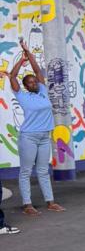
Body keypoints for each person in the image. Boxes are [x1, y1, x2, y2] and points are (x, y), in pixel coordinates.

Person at [9, 39, 64, 215]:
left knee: (43, 171)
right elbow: (12, 77)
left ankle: (51, 202)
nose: (34, 83)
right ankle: (27, 205)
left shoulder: (43, 92)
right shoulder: (22, 96)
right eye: (31, 83)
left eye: (35, 82)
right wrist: (21, 61)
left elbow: (38, 71)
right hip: (29, 137)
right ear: (25, 86)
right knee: (26, 171)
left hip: (44, 137)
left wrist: (28, 53)